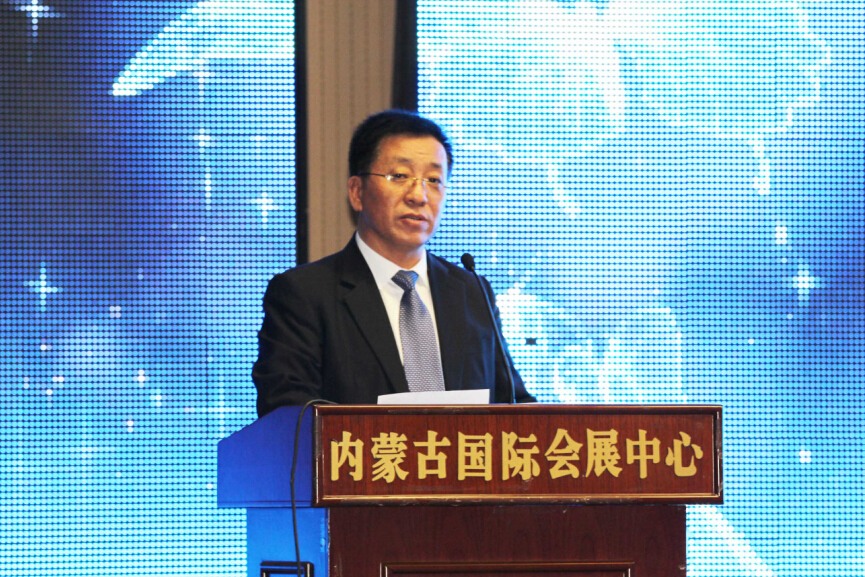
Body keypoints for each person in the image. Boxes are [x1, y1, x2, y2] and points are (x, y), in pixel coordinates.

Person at [252, 109, 535, 416]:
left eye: (434, 180)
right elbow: (287, 411)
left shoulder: (472, 292)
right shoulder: (304, 294)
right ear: (357, 192)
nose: (419, 195)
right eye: (399, 176)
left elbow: (513, 404)